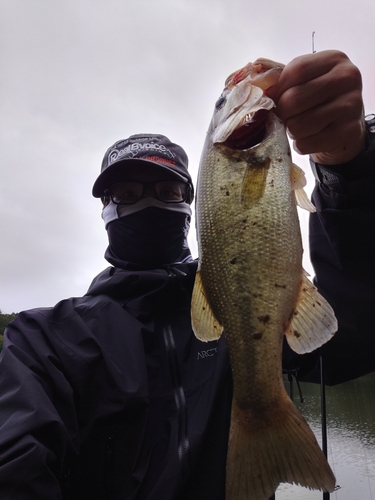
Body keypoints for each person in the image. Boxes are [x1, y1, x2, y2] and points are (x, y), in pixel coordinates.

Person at [0, 50, 374, 499]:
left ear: (192, 202)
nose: (148, 202)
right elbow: (15, 459)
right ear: (105, 208)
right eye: (127, 192)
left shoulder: (234, 307)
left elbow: (355, 330)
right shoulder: (42, 343)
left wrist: (346, 170)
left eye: (167, 190)